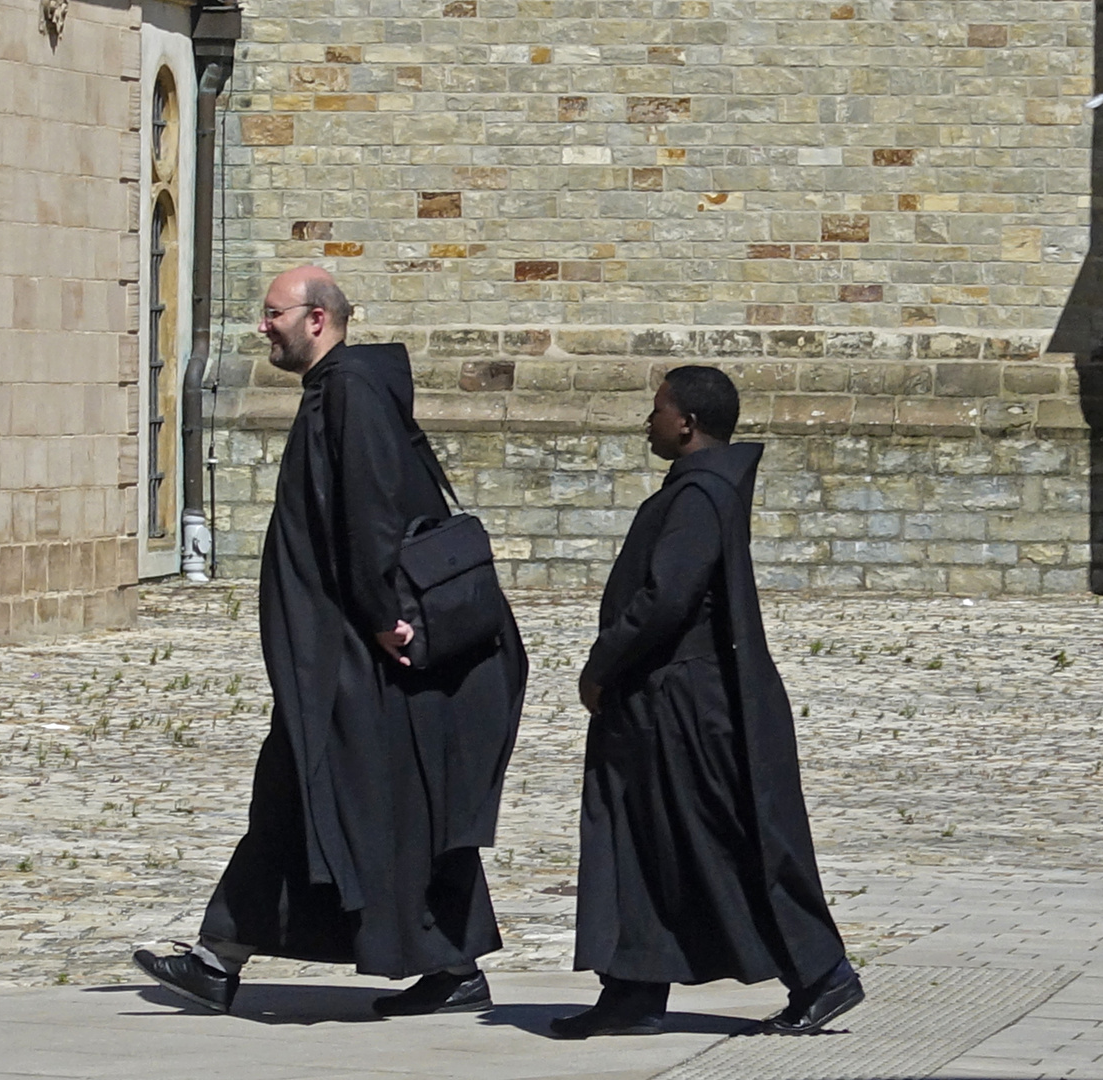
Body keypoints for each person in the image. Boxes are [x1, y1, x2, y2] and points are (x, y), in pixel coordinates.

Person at [133, 266, 525, 1017]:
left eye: (272, 313)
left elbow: (368, 513)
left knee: (345, 795)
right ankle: (236, 957)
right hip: (338, 651)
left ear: (317, 320)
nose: (262, 326)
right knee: (338, 797)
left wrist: (382, 615)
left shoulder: (350, 391)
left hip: (357, 653)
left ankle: (228, 959)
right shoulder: (339, 390)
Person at [554, 365, 864, 1039]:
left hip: (684, 705)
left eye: (657, 409)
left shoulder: (700, 496)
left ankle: (822, 973)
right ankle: (633, 988)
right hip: (656, 705)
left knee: (718, 842)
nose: (649, 420)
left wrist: (602, 664)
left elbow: (667, 599)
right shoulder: (695, 488)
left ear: (687, 422)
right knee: (647, 841)